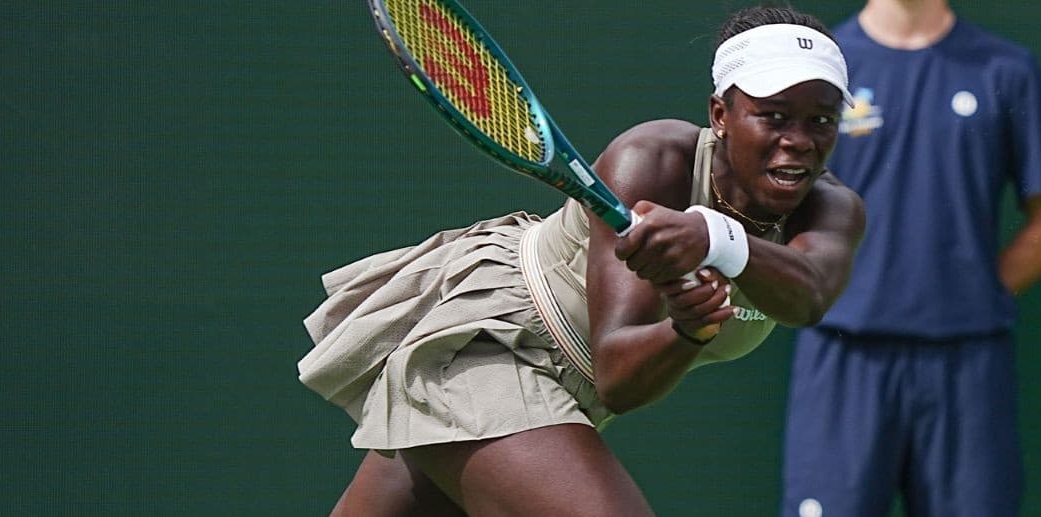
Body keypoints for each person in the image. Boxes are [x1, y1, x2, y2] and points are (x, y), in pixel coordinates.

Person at [299, 6, 865, 516]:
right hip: (489, 342)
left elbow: (808, 295)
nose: (800, 141)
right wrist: (689, 319)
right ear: (720, 114)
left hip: (574, 394)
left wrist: (702, 277)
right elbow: (619, 373)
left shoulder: (833, 209)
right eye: (773, 116)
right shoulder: (651, 159)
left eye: (821, 120)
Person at [780, 1, 1041, 516]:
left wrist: (972, 293)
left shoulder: (1006, 69)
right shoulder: (824, 70)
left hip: (967, 365)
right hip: (843, 354)